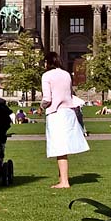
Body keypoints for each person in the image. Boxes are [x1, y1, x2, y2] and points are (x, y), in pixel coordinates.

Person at [41, 51, 90, 189]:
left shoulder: (47, 76)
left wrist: (41, 107)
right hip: (68, 113)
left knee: (59, 148)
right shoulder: (66, 74)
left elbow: (47, 99)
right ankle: (62, 178)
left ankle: (64, 182)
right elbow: (69, 93)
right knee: (62, 148)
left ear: (48, 62)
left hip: (56, 113)